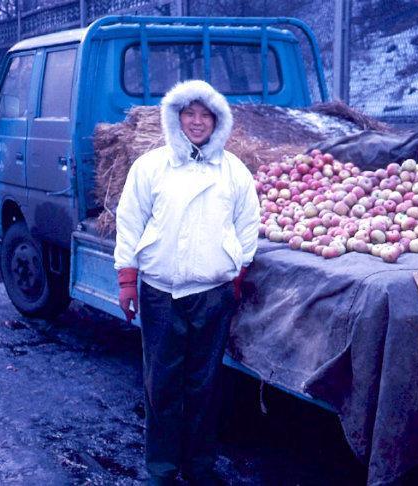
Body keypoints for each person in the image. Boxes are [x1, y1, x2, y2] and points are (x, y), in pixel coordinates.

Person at [113, 80, 259, 485]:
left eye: (205, 115)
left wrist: (237, 270)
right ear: (175, 118)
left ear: (218, 121)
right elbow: (129, 220)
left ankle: (199, 466)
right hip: (161, 292)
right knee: (161, 384)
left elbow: (248, 224)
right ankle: (161, 466)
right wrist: (128, 278)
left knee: (204, 385)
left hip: (212, 294)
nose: (197, 122)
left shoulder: (233, 171)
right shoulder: (151, 166)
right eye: (189, 114)